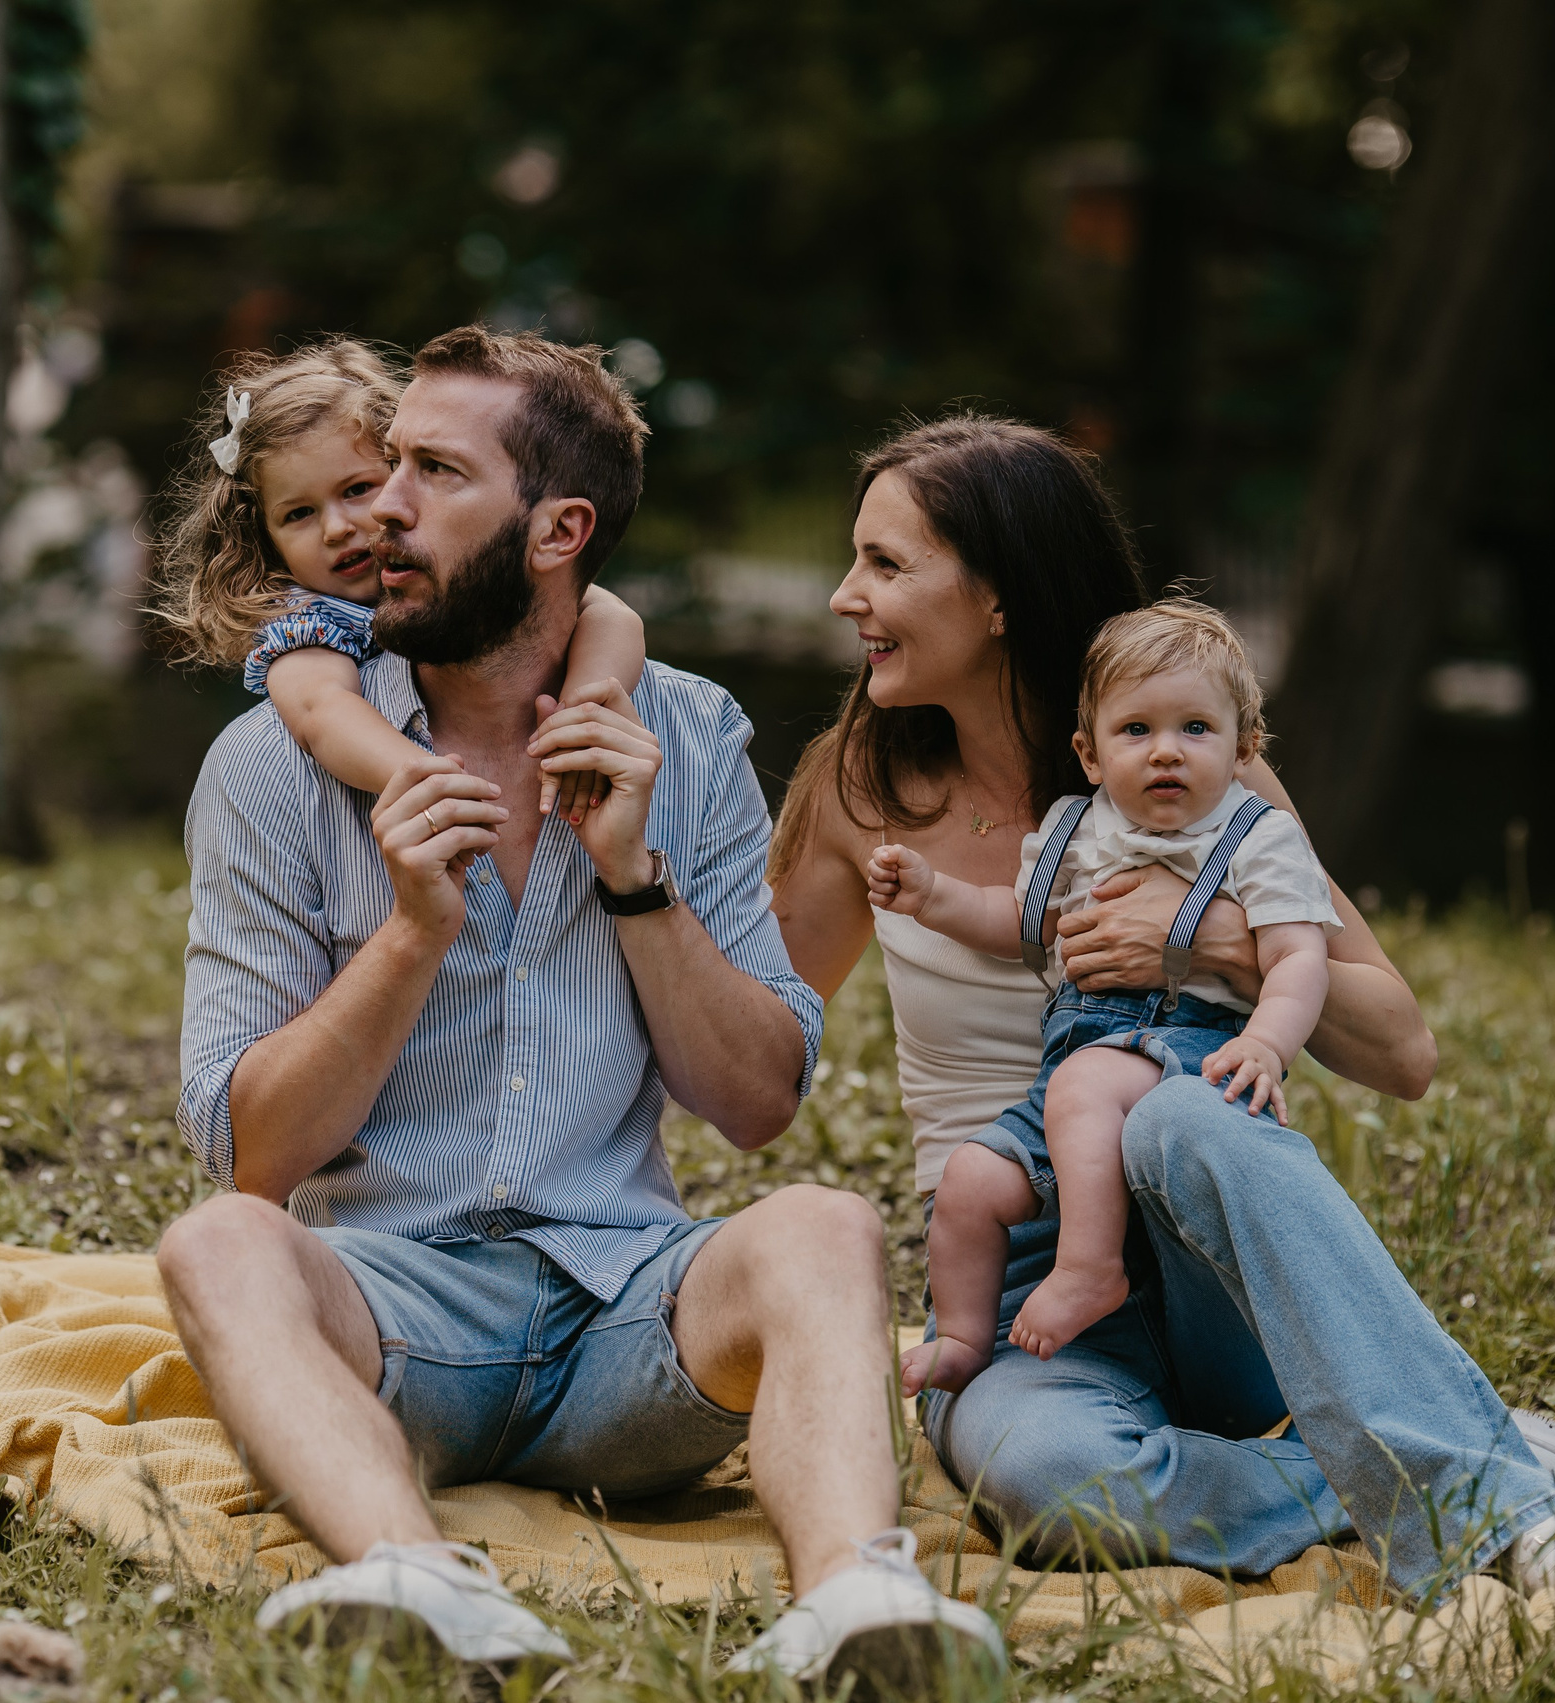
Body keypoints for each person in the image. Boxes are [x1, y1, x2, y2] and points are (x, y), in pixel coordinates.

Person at [160, 327, 1005, 1689]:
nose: (382, 507)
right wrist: (412, 934)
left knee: (825, 1226)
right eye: (384, 469)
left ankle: (858, 1604)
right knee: (218, 1245)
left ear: (558, 528)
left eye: (432, 471)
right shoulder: (273, 764)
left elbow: (757, 1100)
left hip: (633, 1322)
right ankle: (416, 1583)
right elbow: (258, 1156)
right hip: (396, 1310)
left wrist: (634, 878)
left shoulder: (687, 731)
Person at [767, 414, 1555, 1605]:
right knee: (1057, 1481)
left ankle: (1502, 1517)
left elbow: (1401, 1048)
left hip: (1211, 1248)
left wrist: (1206, 941)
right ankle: (1439, 1452)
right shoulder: (856, 791)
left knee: (1174, 1114)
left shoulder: (1198, 771)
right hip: (1031, 1280)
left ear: (997, 597)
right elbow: (750, 1069)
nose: (846, 596)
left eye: (885, 564)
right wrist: (626, 872)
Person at [873, 599, 1337, 1397]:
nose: (1167, 751)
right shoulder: (1073, 831)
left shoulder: (1258, 838)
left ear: (1244, 746)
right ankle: (960, 1337)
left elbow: (1299, 955)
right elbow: (1018, 925)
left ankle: (1089, 1270)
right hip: (1071, 1074)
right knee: (971, 1178)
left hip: (1191, 1054)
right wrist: (930, 895)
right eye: (1137, 731)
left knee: (1088, 1085)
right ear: (1088, 754)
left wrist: (1267, 1042)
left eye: (1196, 728)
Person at [149, 338, 646, 823]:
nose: (338, 528)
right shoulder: (304, 626)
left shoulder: (441, 571)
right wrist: (424, 781)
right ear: (266, 537)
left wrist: (582, 715)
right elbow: (323, 712)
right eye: (298, 513)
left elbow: (611, 616)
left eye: (360, 488)